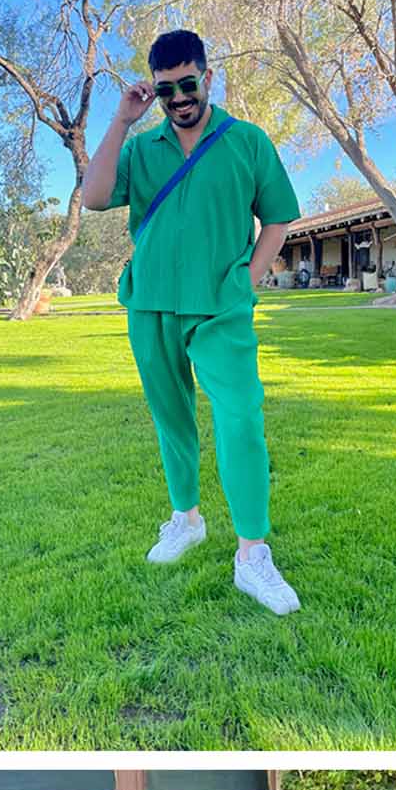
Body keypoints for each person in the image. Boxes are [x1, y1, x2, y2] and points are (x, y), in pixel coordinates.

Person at [81, 31, 305, 615]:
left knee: (240, 418)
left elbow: (278, 219)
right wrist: (122, 121)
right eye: (165, 89)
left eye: (187, 83)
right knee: (171, 417)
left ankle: (252, 554)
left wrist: (248, 279)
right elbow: (94, 196)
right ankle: (186, 519)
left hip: (220, 308)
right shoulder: (142, 146)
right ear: (154, 91)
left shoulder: (247, 142)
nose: (178, 97)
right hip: (151, 301)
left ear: (207, 77)